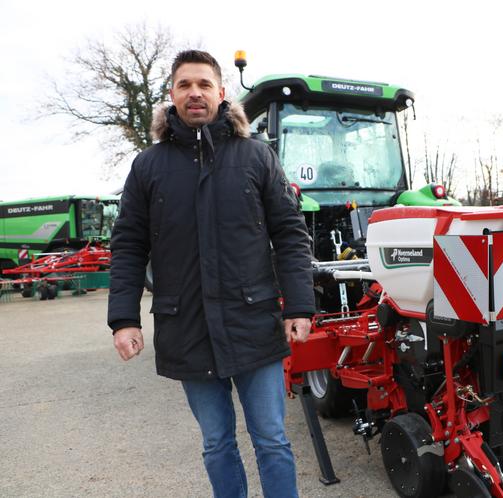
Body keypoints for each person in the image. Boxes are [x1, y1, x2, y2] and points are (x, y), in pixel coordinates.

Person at [107, 49, 315, 498]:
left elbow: (290, 234)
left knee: (273, 441)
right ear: (172, 96)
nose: (195, 93)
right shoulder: (148, 167)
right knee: (217, 444)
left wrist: (298, 304)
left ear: (222, 94)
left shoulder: (256, 158)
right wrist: (123, 319)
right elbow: (127, 246)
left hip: (253, 325)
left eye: (204, 84)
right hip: (187, 328)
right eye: (185, 85)